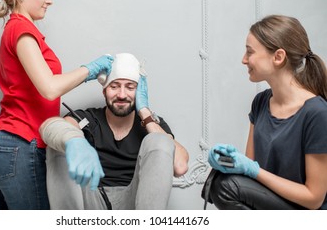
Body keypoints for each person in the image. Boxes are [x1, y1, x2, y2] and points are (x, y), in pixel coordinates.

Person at [0, 0, 114, 210]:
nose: (49, 0)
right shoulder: (21, 28)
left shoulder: (18, 28)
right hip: (19, 144)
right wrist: (91, 69)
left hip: (8, 146)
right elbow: (50, 88)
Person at [206, 15, 327, 209]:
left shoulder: (317, 113)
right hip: (272, 205)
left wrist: (251, 170)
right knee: (221, 182)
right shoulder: (261, 102)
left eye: (250, 52)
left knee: (226, 187)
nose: (243, 60)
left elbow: (314, 198)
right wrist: (229, 162)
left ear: (278, 57)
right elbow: (250, 172)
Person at [40, 53, 189, 209]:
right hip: (91, 202)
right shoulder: (88, 118)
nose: (122, 95)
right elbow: (49, 127)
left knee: (159, 139)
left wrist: (145, 112)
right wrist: (73, 140)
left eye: (130, 87)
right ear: (104, 91)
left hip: (136, 203)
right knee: (60, 141)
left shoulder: (151, 124)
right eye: (114, 86)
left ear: (139, 94)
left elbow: (180, 166)